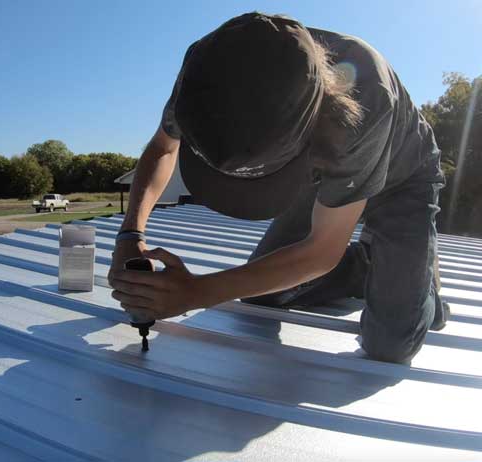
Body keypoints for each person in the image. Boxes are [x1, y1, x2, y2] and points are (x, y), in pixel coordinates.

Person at [109, 12, 449, 364]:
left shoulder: (367, 95)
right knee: (262, 295)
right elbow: (164, 147)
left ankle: (424, 287)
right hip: (318, 173)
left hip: (401, 180)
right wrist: (130, 233)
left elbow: (321, 250)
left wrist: (196, 292)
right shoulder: (206, 70)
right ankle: (365, 265)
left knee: (390, 344)